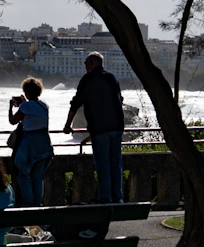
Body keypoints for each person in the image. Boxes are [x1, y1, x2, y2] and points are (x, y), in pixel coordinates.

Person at [63, 51, 125, 204]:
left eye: (85, 63)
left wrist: (67, 124)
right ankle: (118, 198)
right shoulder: (111, 77)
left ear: (90, 64)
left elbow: (76, 102)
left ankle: (106, 199)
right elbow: (120, 99)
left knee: (103, 165)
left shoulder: (88, 79)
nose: (84, 66)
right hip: (117, 126)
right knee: (116, 165)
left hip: (100, 128)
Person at [9, 77, 54, 207]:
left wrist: (10, 107)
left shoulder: (25, 106)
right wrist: (25, 103)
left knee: (22, 174)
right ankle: (37, 204)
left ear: (27, 92)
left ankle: (28, 204)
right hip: (44, 142)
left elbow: (13, 121)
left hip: (30, 142)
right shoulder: (44, 105)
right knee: (37, 176)